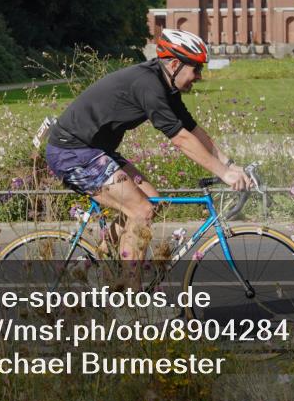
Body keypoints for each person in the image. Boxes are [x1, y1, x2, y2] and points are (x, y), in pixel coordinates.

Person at [44, 29, 252, 280]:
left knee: (153, 201)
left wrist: (230, 164)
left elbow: (193, 129)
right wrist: (223, 174)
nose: (199, 76)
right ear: (175, 64)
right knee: (141, 210)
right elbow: (181, 139)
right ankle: (129, 304)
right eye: (196, 69)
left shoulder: (165, 84)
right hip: (72, 151)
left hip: (94, 150)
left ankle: (94, 269)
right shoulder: (148, 85)